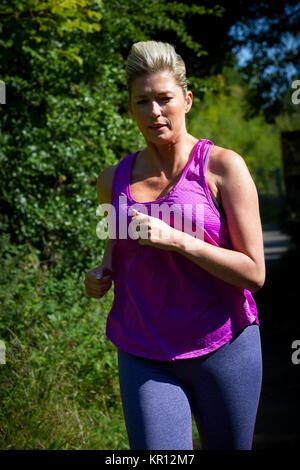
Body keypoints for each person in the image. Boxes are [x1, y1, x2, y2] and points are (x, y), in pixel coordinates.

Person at [84, 41, 265, 450]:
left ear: (186, 99)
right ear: (130, 107)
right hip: (143, 349)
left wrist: (180, 241)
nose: (154, 112)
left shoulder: (222, 167)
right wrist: (99, 277)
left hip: (224, 345)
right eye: (142, 101)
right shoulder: (110, 180)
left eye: (164, 99)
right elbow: (113, 254)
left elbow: (255, 273)